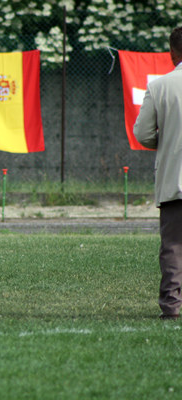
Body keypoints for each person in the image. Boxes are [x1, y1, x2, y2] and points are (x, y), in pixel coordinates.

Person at [134, 27, 182, 320]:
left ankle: (171, 306)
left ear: (172, 53)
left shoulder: (160, 86)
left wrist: (164, 143)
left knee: (174, 247)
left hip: (174, 179)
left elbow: (143, 133)